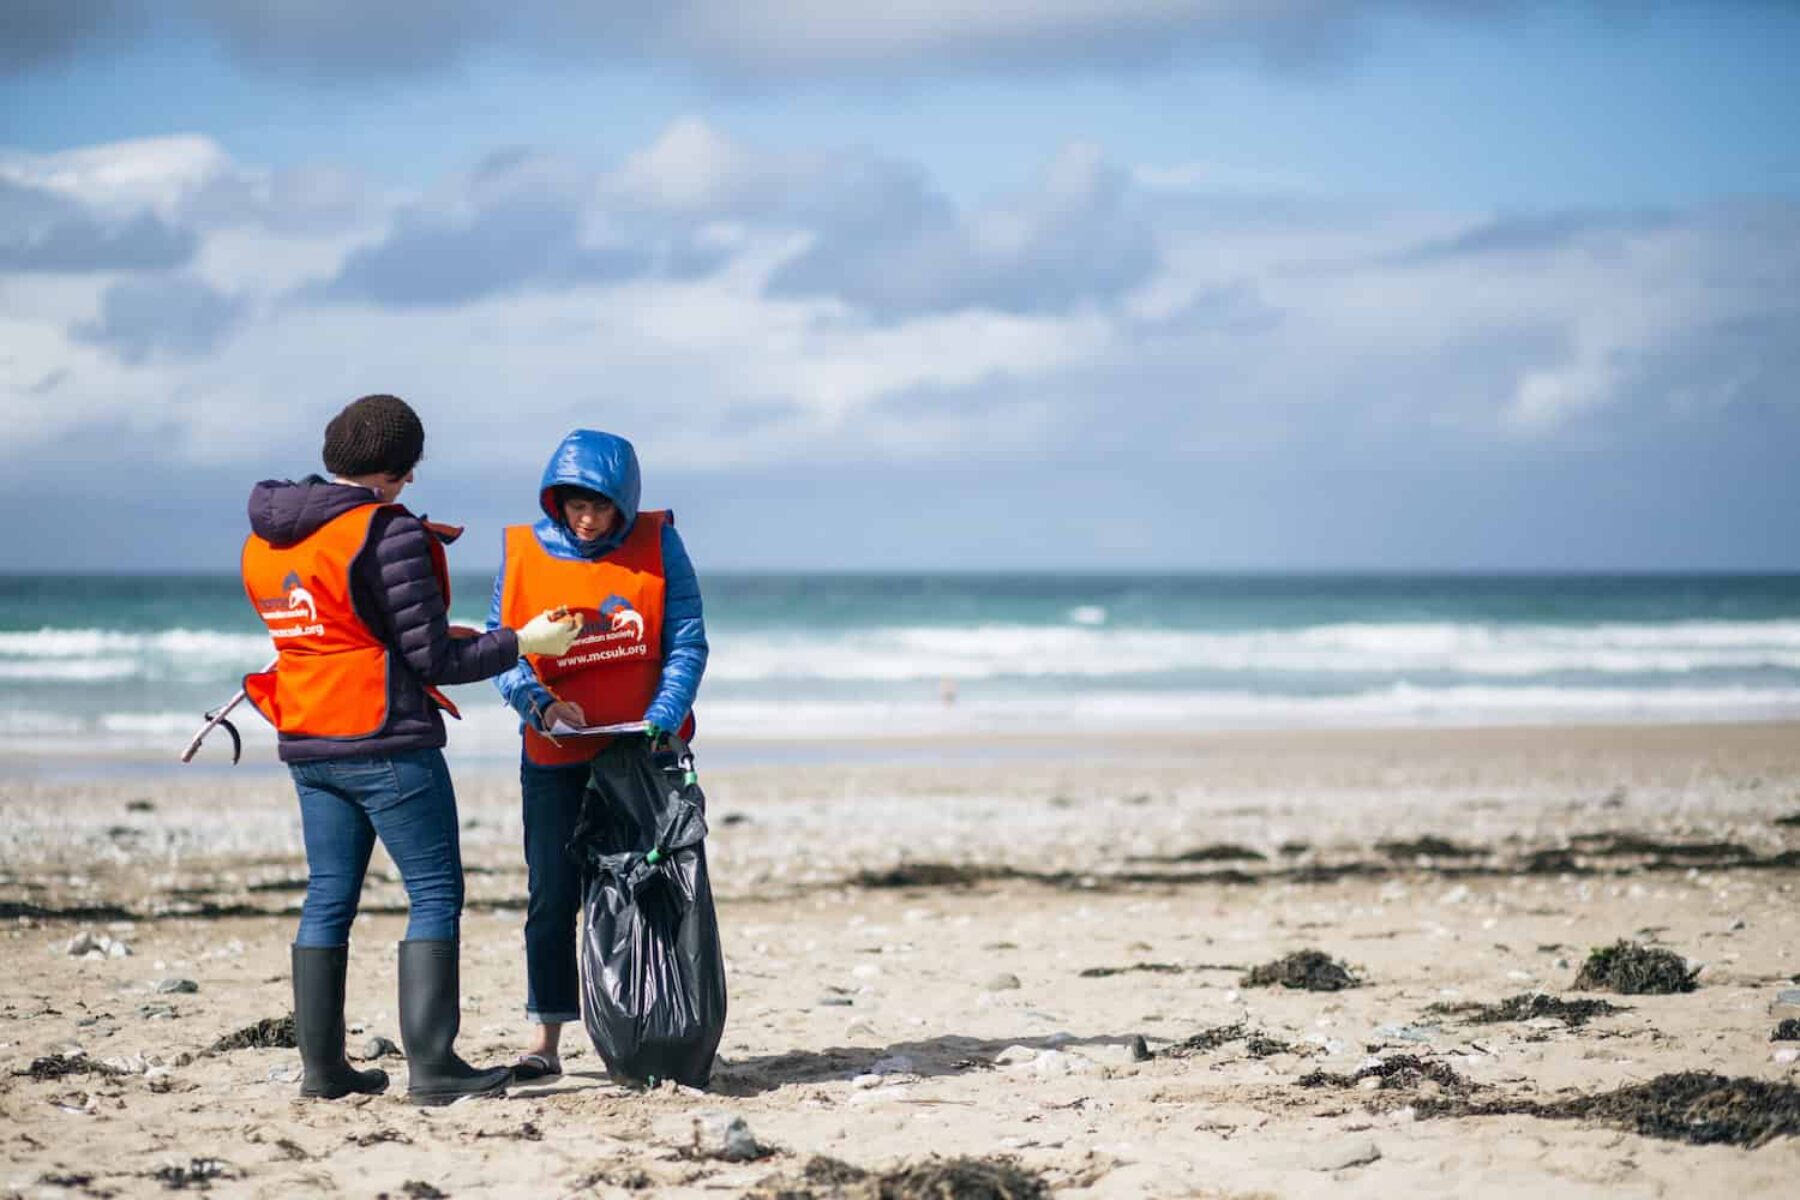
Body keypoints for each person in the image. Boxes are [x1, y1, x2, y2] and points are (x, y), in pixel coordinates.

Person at [240, 394, 583, 1105]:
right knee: (434, 892)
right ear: (394, 472)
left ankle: (324, 1070)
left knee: (328, 895)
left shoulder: (269, 536)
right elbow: (431, 659)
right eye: (408, 472)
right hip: (383, 737)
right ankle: (434, 1068)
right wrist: (528, 642)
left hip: (307, 736)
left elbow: (359, 631)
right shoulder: (386, 532)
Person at [488, 428, 708, 1081]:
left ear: (624, 503)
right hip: (554, 753)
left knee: (653, 887)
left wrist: (663, 715)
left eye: (601, 507)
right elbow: (507, 653)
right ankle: (546, 1039)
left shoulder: (660, 544)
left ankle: (655, 1028)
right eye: (575, 505)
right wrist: (542, 707)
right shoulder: (524, 551)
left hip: (641, 754)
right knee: (552, 895)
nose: (586, 519)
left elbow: (687, 641)